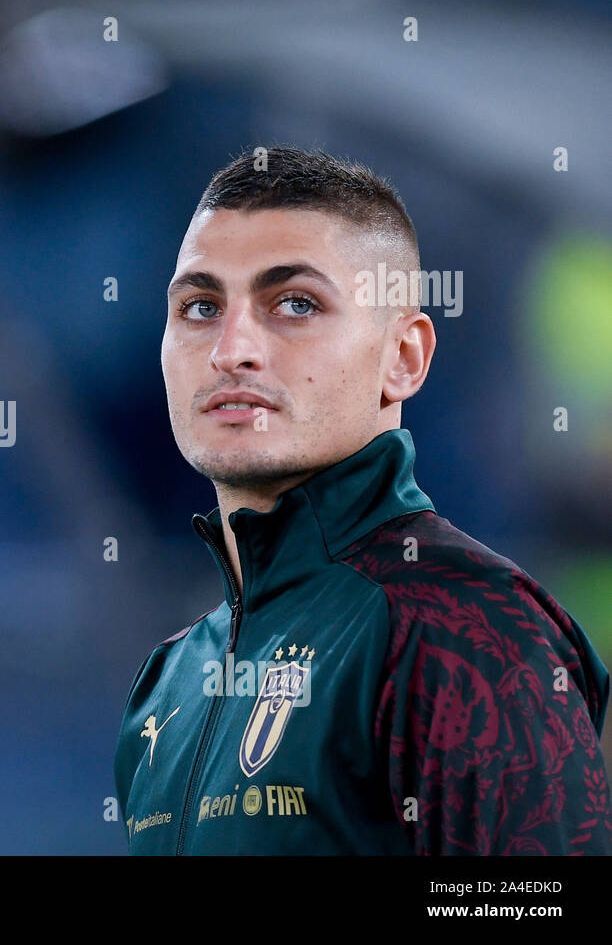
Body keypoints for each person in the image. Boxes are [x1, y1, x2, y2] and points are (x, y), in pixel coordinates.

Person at [114, 146, 612, 855]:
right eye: (200, 306)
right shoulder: (170, 679)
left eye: (295, 303)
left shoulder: (464, 626)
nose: (232, 349)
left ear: (402, 358)